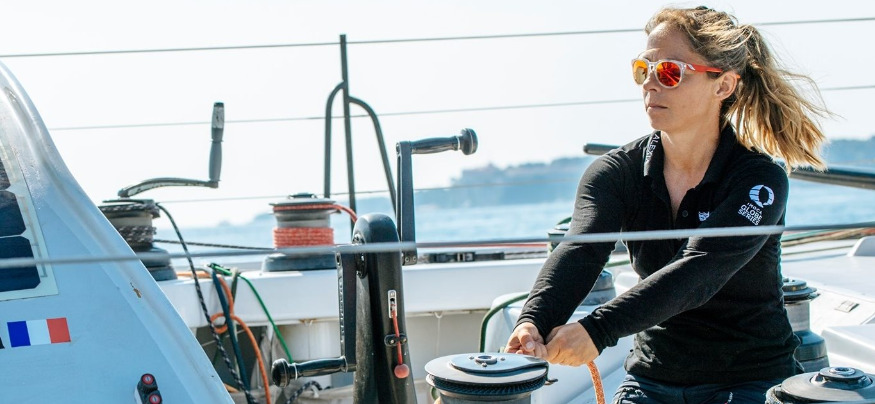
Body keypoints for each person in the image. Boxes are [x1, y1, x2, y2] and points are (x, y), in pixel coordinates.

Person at [505, 5, 830, 403]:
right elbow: (580, 252)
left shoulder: (759, 180)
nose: (650, 84)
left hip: (750, 381)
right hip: (651, 381)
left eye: (670, 72)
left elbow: (699, 271)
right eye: (643, 69)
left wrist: (597, 330)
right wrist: (533, 321)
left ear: (723, 85)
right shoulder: (615, 173)